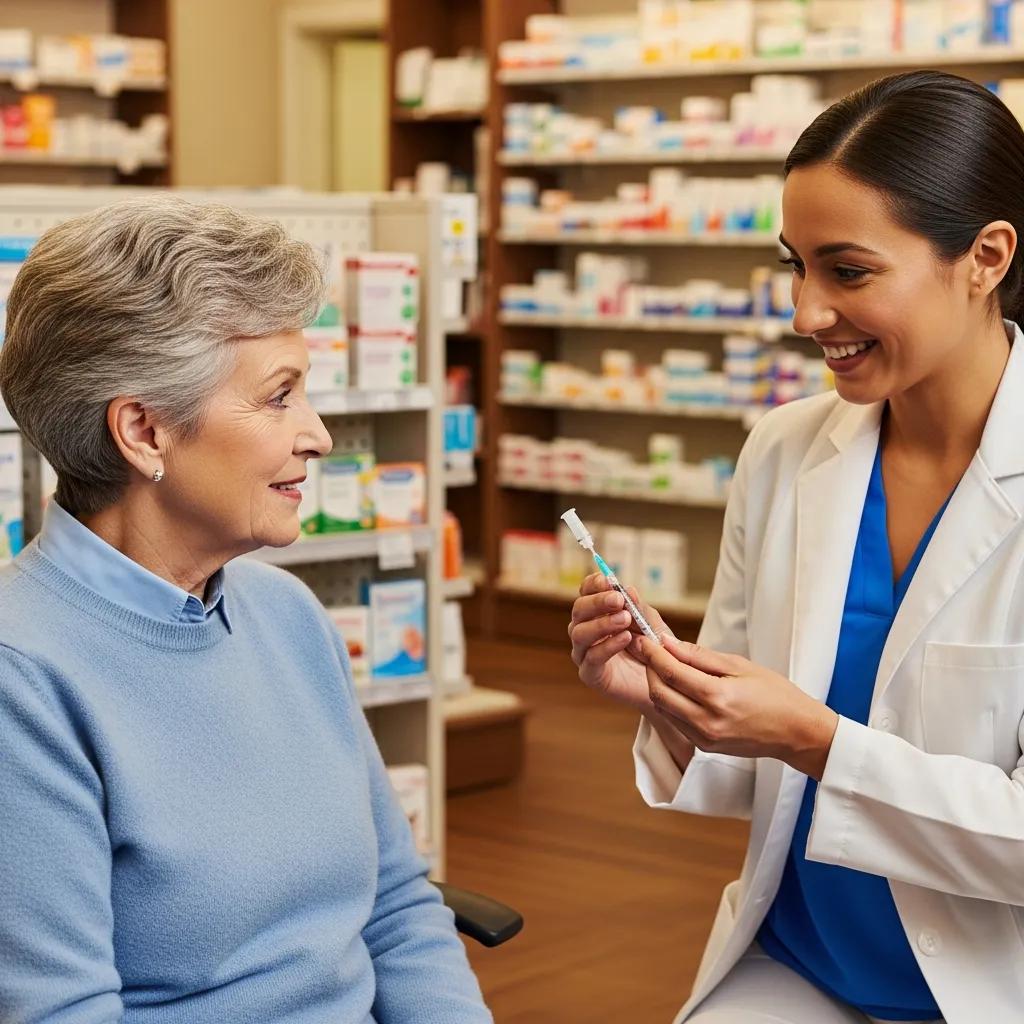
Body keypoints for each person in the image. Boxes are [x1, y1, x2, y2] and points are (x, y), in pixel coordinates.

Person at [570, 70, 1024, 1024]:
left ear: (984, 257)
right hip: (801, 964)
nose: (804, 312)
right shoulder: (785, 449)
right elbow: (752, 771)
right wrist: (674, 699)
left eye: (848, 271)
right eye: (796, 264)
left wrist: (814, 738)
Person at [0, 196, 492, 1023]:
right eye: (280, 397)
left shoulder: (285, 613)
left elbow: (399, 909)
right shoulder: (26, 681)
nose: (320, 434)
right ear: (144, 433)